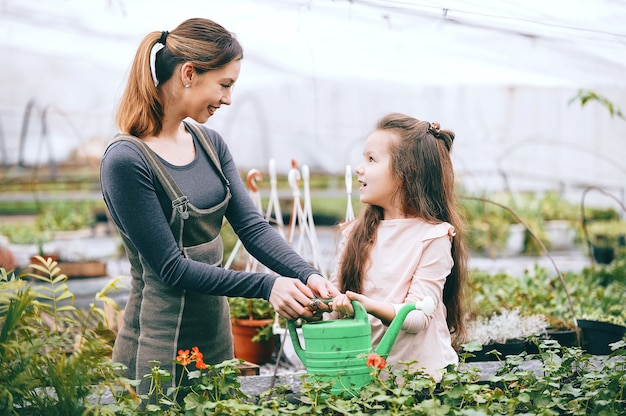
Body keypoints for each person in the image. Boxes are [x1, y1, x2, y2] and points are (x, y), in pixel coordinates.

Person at [99, 18, 338, 393]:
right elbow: (171, 269)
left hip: (214, 337)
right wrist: (267, 285)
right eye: (224, 85)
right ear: (189, 74)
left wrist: (308, 275)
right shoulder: (127, 160)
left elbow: (253, 228)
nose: (228, 99)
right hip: (157, 345)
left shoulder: (210, 144)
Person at [327, 113, 470, 382]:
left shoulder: (433, 237)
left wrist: (366, 304)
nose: (359, 168)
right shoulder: (355, 233)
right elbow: (335, 304)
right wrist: (319, 304)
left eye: (371, 159)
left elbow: (418, 317)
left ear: (407, 172)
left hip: (423, 383)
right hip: (364, 380)